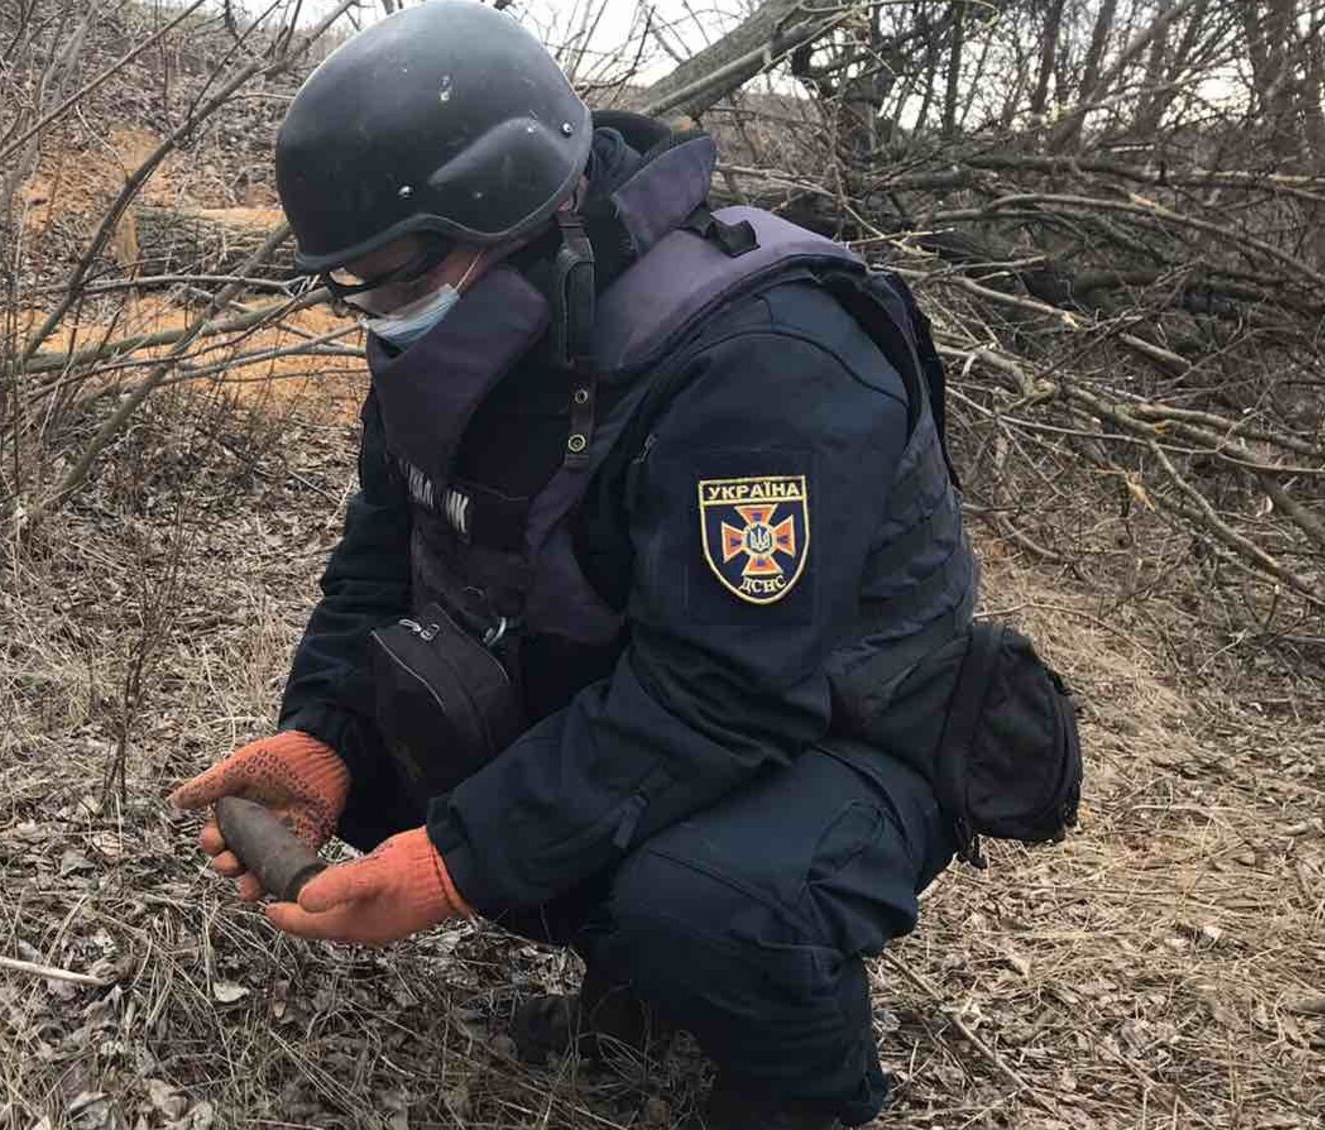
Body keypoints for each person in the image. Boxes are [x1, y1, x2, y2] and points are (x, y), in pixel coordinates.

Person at [169, 3, 979, 1127]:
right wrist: (328, 733)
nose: (382, 311)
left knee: (702, 902)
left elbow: (725, 688)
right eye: (355, 284)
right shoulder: (460, 323)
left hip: (849, 725)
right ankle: (636, 996)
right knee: (416, 750)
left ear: (515, 207)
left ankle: (804, 1090)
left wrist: (457, 863)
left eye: (396, 273)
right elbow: (385, 549)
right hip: (671, 682)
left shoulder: (768, 364)